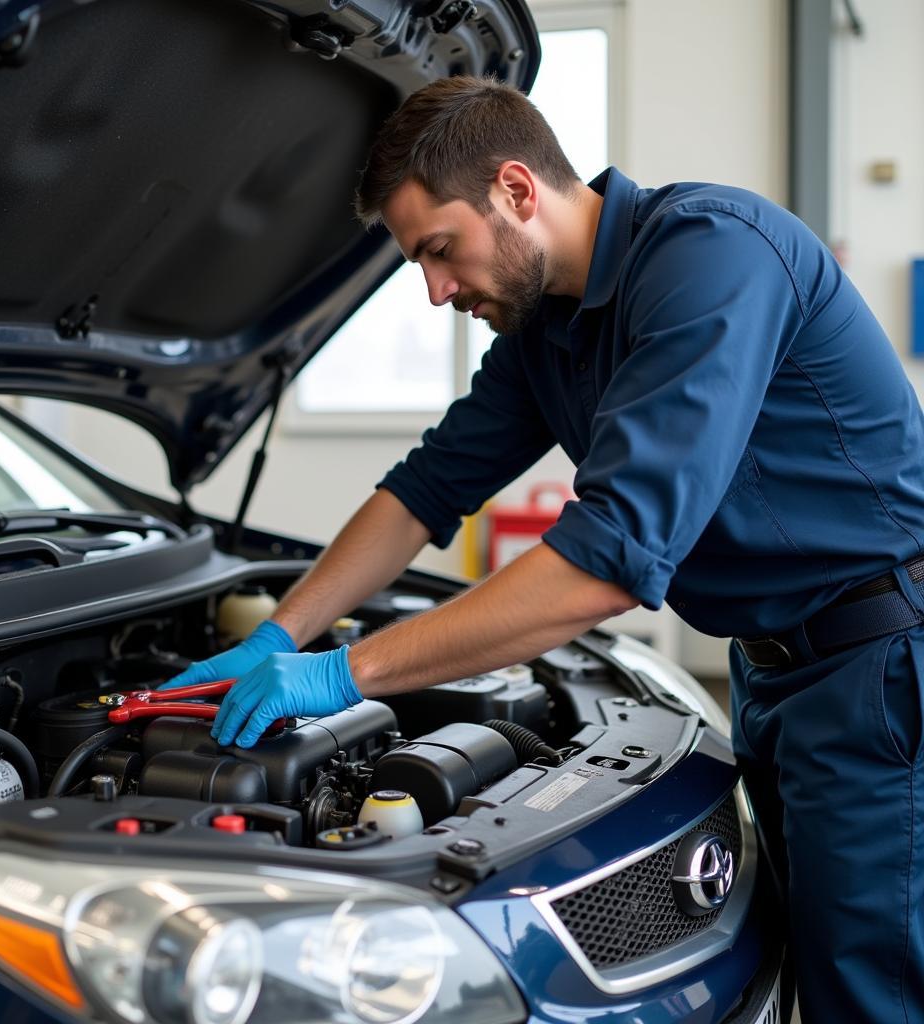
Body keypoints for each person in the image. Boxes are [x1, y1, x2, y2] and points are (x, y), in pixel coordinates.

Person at [164, 76, 924, 1022]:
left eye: (441, 251)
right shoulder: (545, 331)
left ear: (518, 190)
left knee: (874, 993)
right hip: (773, 678)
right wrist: (283, 633)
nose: (437, 290)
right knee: (802, 968)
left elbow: (606, 563)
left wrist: (343, 675)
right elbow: (423, 491)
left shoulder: (712, 257)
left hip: (882, 673)